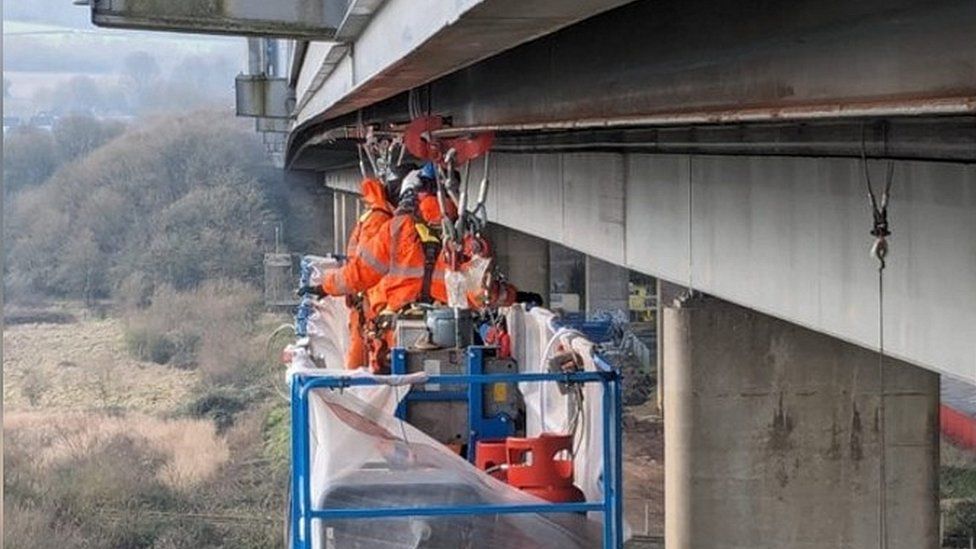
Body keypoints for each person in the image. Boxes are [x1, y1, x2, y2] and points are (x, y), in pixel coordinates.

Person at [299, 165, 414, 370]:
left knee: (364, 372)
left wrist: (328, 286)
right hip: (375, 309)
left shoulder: (377, 216)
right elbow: (364, 269)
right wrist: (328, 286)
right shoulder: (382, 221)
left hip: (373, 309)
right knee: (368, 372)